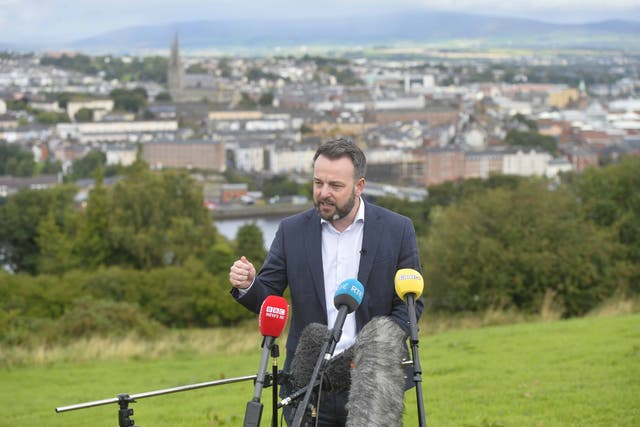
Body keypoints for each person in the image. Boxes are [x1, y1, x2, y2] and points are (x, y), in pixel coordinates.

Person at [229, 138, 423, 426]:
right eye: (318, 183)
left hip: (373, 381)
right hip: (308, 382)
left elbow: (410, 306)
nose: (323, 193)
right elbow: (269, 298)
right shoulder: (291, 231)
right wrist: (247, 284)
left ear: (359, 186)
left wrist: (373, 351)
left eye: (335, 186)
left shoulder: (397, 229)